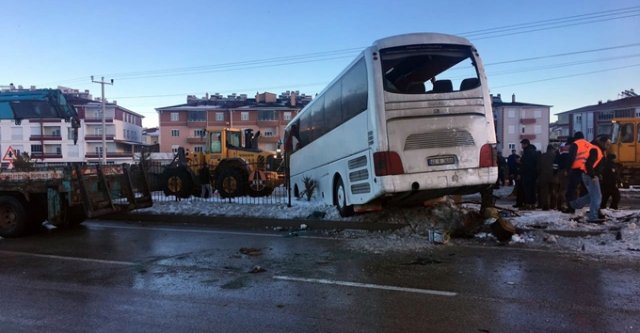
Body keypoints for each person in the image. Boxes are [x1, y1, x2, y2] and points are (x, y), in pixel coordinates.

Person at [563, 132, 604, 222]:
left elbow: (571, 157)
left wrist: (567, 169)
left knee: (572, 189)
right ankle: (595, 212)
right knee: (591, 193)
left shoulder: (576, 144)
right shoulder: (589, 145)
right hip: (587, 171)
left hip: (577, 170)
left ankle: (572, 207)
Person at [519, 139, 538, 210]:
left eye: (522, 144)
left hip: (527, 173)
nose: (521, 146)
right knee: (533, 189)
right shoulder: (535, 152)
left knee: (527, 190)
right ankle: (533, 204)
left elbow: (524, 163)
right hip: (534, 174)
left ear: (525, 144)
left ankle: (528, 204)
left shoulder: (526, 152)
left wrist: (520, 163)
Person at [537, 144, 557, 210]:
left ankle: (545, 206)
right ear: (552, 149)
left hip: (543, 176)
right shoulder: (555, 156)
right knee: (553, 191)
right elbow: (557, 166)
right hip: (553, 176)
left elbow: (538, 167)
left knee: (544, 192)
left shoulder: (542, 156)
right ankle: (553, 205)